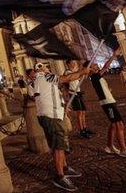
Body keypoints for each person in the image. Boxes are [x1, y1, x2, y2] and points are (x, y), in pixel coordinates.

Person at [32, 62, 89, 191]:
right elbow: (67, 78)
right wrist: (82, 72)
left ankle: (64, 167)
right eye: (44, 66)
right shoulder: (45, 76)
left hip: (52, 115)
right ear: (39, 69)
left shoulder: (40, 80)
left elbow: (51, 95)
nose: (47, 67)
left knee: (59, 144)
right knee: (58, 146)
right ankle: (59, 176)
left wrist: (62, 105)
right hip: (52, 117)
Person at [89, 50, 126, 159]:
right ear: (90, 69)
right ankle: (123, 149)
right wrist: (113, 56)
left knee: (113, 125)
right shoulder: (94, 76)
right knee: (119, 124)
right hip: (108, 104)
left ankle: (109, 146)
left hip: (110, 101)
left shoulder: (98, 78)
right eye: (94, 66)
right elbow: (106, 66)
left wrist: (108, 90)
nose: (97, 66)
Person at [64, 60, 94, 139]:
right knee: (79, 112)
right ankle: (81, 130)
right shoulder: (67, 73)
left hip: (79, 93)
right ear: (68, 64)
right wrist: (80, 72)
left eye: (74, 63)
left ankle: (85, 128)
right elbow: (70, 80)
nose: (73, 64)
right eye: (72, 63)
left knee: (83, 111)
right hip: (73, 94)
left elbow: (79, 77)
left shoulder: (74, 72)